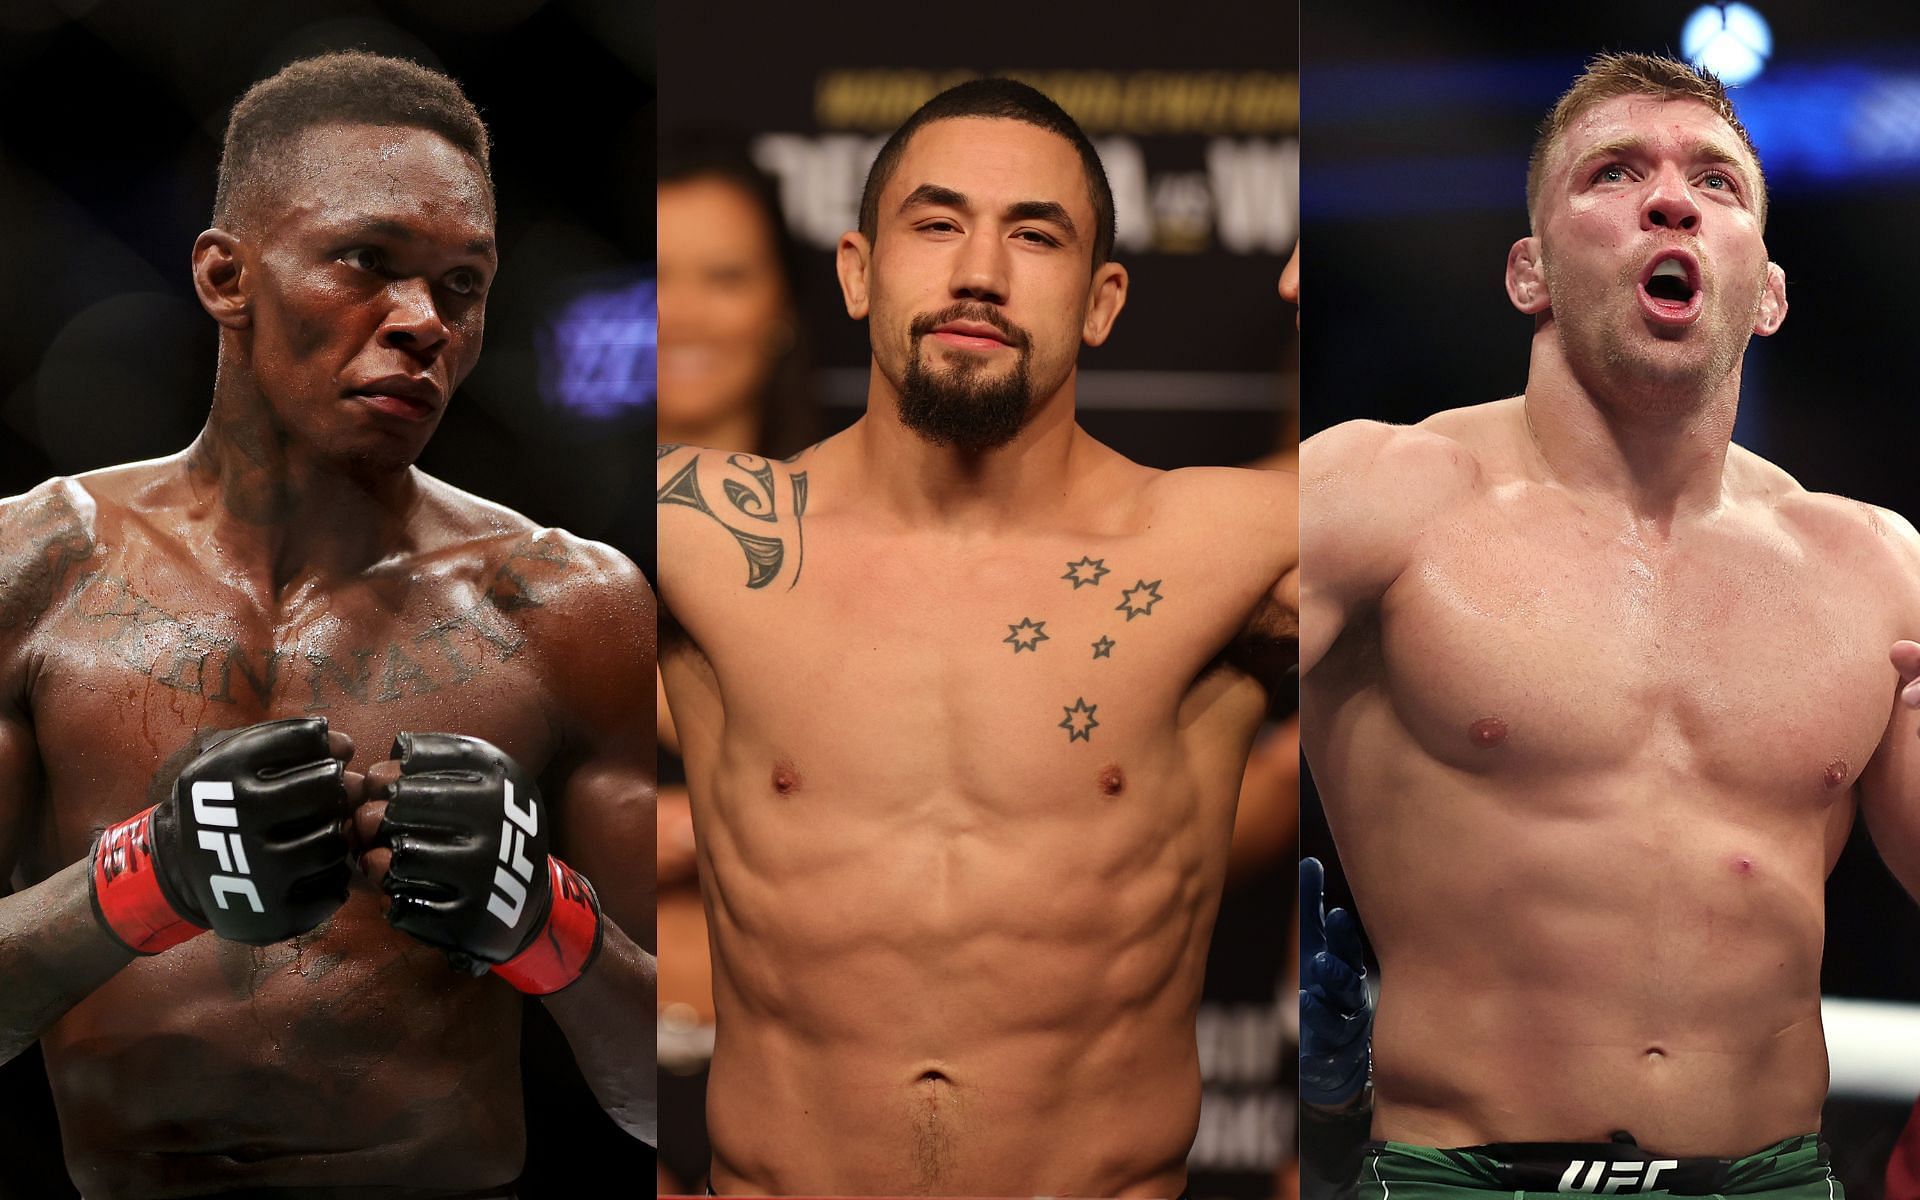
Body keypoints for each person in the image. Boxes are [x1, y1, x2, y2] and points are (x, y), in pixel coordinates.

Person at [0, 51, 655, 1196]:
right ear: (224, 275)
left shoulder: (566, 607)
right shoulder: (34, 570)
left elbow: (689, 1093)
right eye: (368, 261)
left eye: (464, 284)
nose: (423, 323)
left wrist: (544, 921)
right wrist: (142, 882)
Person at [657, 77, 1297, 1196]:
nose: (980, 273)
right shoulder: (701, 538)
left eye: (1035, 236)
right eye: (938, 222)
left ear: (1103, 303)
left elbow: (1488, 558)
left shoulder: (1224, 551)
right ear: (858, 272)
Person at [1300, 51, 1920, 1199]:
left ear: (1770, 291)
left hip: (1768, 1176)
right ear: (1529, 272)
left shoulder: (1879, 566)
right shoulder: (1374, 497)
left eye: (1717, 183)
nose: (1670, 198)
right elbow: (1136, 723)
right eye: (1615, 173)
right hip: (1456, 1172)